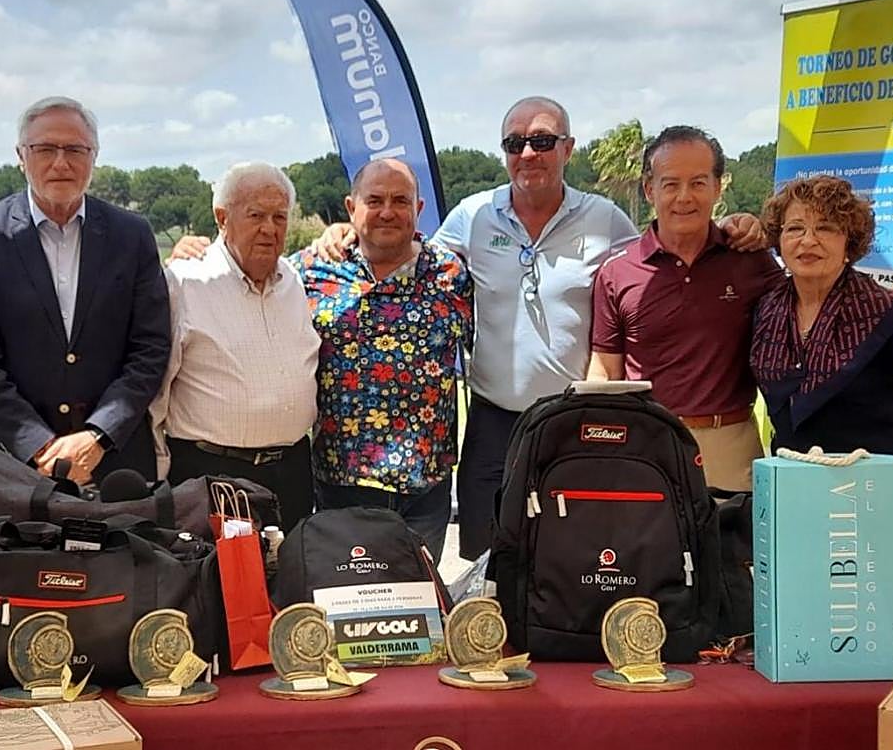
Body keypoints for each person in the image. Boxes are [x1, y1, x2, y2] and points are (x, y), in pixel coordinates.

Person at [314, 97, 764, 559]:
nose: (529, 153)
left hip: (573, 423)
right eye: (515, 142)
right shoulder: (472, 216)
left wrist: (725, 227)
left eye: (543, 141)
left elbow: (660, 255)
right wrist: (343, 233)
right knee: (484, 564)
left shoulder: (605, 219)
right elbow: (404, 248)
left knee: (572, 559)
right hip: (492, 425)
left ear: (567, 148)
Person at [0, 96, 170, 485]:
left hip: (115, 462)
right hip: (11, 462)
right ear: (21, 155)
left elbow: (150, 348)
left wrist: (98, 435)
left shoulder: (131, 235)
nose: (61, 162)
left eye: (75, 149)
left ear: (94, 156)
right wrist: (37, 444)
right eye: (45, 149)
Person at [289, 158, 472, 561]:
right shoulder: (310, 270)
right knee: (347, 605)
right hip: (341, 483)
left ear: (418, 210)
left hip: (425, 487)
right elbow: (247, 279)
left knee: (419, 606)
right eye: (374, 200)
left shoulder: (450, 274)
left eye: (400, 200)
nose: (388, 211)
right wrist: (191, 253)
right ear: (351, 208)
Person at [588, 126, 784, 490]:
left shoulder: (750, 259)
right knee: (648, 547)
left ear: (717, 186)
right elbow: (605, 368)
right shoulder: (616, 273)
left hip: (732, 442)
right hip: (647, 444)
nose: (684, 197)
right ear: (649, 189)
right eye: (670, 184)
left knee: (735, 548)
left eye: (697, 182)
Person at [151, 162, 320, 529]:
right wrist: (159, 480)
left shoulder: (294, 279)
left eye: (279, 217)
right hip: (212, 477)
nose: (269, 229)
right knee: (216, 584)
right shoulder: (184, 283)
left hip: (291, 475)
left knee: (289, 583)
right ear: (222, 217)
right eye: (255, 215)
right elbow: (154, 392)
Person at [751, 175, 893, 454]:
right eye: (795, 228)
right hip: (793, 478)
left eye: (825, 228)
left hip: (876, 486)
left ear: (849, 242)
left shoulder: (889, 315)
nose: (808, 241)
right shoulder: (764, 311)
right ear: (779, 239)